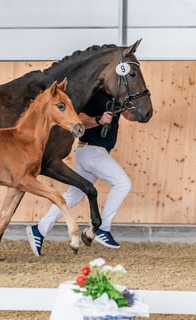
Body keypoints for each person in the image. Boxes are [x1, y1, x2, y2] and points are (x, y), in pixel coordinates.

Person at [26, 89, 133, 256]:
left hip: (93, 153)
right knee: (123, 184)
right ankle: (103, 228)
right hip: (92, 152)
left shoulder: (116, 98)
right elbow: (80, 118)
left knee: (74, 196)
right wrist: (99, 120)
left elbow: (130, 115)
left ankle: (39, 230)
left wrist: (133, 103)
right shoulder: (95, 95)